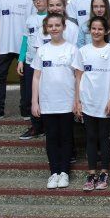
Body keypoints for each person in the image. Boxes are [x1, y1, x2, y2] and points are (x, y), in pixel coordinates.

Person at [73, 16, 110, 191]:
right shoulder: (83, 51)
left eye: (100, 29)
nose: (96, 32)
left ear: (106, 31)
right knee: (91, 138)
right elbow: (78, 77)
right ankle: (91, 173)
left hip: (105, 102)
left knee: (104, 137)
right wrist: (77, 101)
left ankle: (104, 172)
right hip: (88, 101)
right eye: (93, 28)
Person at [31, 13, 77, 189]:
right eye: (50, 26)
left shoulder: (72, 49)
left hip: (67, 102)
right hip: (48, 103)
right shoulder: (42, 50)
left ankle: (64, 172)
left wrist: (77, 101)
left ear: (63, 27)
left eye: (57, 25)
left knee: (66, 137)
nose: (54, 28)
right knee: (51, 138)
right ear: (46, 29)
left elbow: (78, 77)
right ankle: (54, 172)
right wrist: (35, 102)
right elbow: (36, 77)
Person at [16, 0, 48, 139]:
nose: (38, 2)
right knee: (31, 95)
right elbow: (25, 39)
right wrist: (20, 60)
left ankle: (48, 126)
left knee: (46, 95)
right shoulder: (30, 19)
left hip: (48, 64)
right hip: (30, 62)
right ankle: (36, 127)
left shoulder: (54, 18)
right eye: (35, 0)